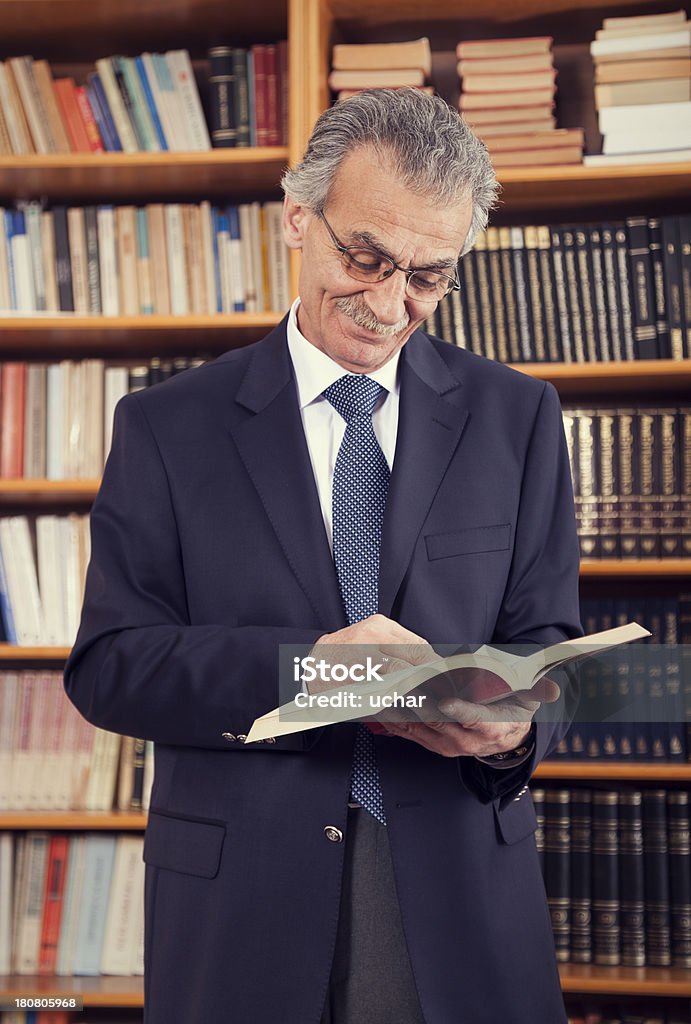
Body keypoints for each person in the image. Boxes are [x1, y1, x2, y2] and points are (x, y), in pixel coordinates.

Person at [64, 88, 581, 1024]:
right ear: (297, 215)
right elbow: (110, 667)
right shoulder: (164, 426)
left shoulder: (518, 417)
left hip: (461, 895)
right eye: (365, 257)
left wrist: (517, 727)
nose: (389, 304)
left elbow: (549, 648)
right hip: (241, 904)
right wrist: (306, 674)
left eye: (428, 276)